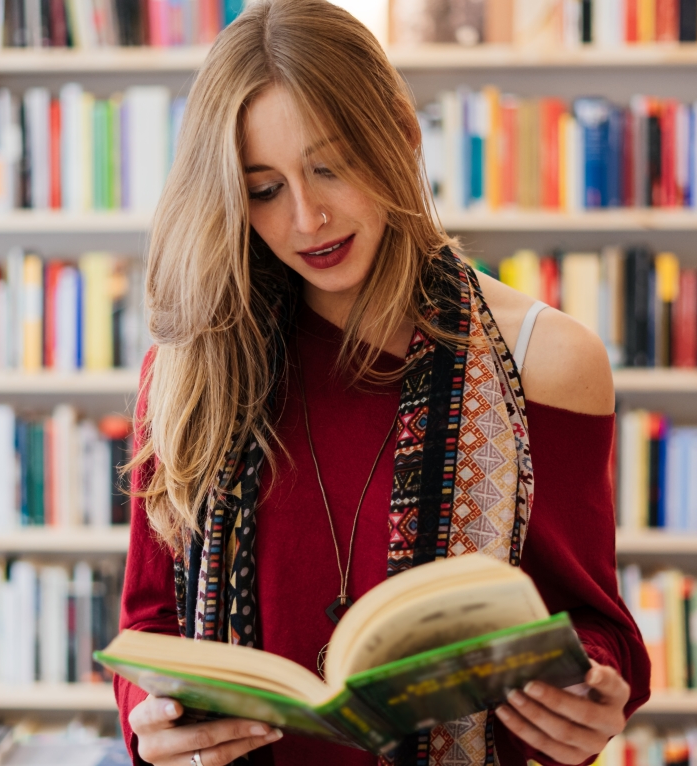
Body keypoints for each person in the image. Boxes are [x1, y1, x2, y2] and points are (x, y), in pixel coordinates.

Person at [116, 0, 651, 763]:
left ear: (402, 134)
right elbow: (149, 628)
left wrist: (590, 694)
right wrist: (156, 722)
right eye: (264, 189)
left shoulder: (548, 359)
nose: (308, 218)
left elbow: (595, 627)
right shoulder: (187, 369)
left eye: (330, 166)